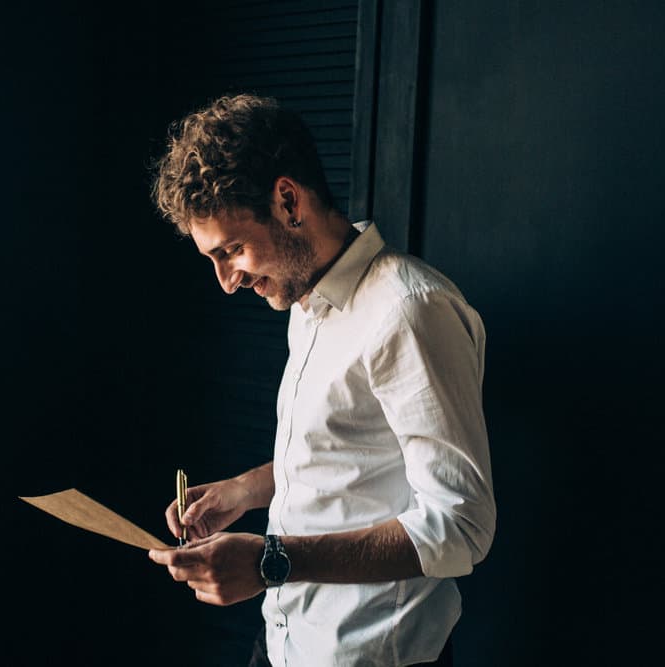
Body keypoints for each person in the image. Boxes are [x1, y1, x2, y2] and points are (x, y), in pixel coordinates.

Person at [147, 94, 496, 667]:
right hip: (287, 642)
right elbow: (345, 455)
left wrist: (270, 562)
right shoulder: (306, 302)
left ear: (288, 201)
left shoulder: (409, 310)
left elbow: (460, 526)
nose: (226, 282)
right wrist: (245, 489)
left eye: (232, 250)